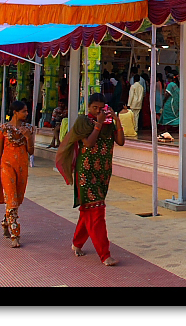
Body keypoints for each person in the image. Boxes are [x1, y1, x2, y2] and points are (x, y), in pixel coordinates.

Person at [55, 93, 125, 266]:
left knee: (89, 211)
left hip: (103, 173)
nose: (99, 111)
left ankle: (77, 243)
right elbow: (88, 143)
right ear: (89, 107)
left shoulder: (109, 123)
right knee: (97, 211)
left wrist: (117, 121)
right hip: (86, 173)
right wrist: (99, 123)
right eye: (95, 108)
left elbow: (121, 142)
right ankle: (104, 254)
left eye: (102, 108)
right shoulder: (83, 122)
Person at [0, 100, 34, 248]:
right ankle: (15, 234)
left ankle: (5, 221)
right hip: (6, 167)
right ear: (15, 112)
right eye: (24, 111)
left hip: (22, 168)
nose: (26, 114)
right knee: (12, 200)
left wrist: (28, 137)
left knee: (16, 199)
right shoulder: (3, 129)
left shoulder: (28, 129)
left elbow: (31, 151)